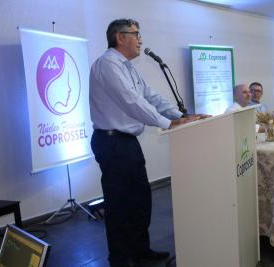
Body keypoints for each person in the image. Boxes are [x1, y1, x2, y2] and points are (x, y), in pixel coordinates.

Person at [89, 18, 202, 267]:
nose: (140, 40)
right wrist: (166, 123)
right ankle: (119, 258)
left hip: (126, 142)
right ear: (120, 37)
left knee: (140, 200)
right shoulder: (108, 64)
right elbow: (131, 101)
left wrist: (180, 116)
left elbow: (150, 96)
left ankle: (139, 250)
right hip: (112, 143)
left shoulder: (127, 67)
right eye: (136, 34)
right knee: (119, 204)